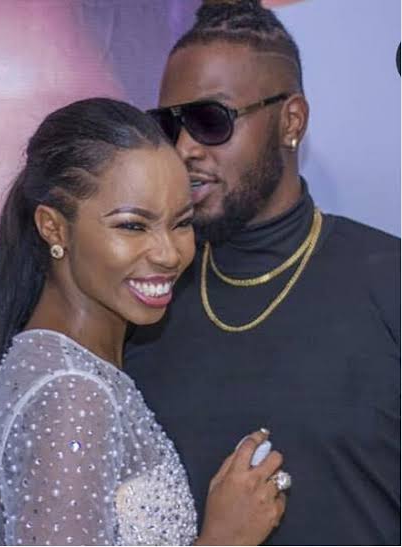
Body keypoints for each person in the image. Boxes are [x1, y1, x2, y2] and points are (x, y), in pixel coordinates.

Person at [124, 1, 400, 545]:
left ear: (291, 121)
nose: (184, 148)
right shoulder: (144, 299)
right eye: (169, 125)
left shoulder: (390, 279)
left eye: (211, 120)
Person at [0, 97, 289, 546]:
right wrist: (223, 539)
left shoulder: (64, 368)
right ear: (53, 227)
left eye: (181, 223)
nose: (169, 254)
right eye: (133, 226)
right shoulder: (73, 394)